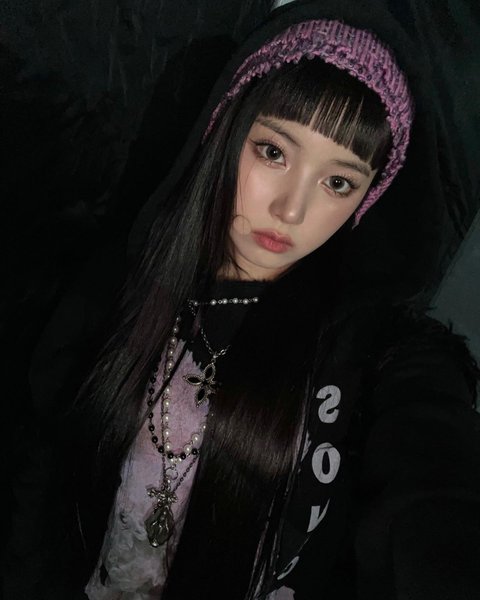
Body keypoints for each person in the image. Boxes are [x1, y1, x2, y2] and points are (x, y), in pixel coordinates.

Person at [5, 4, 480, 600]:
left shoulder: (370, 349)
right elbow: (41, 473)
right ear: (226, 132)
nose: (291, 209)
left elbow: (432, 478)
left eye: (338, 182)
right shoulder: (114, 289)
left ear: (366, 199)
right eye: (274, 152)